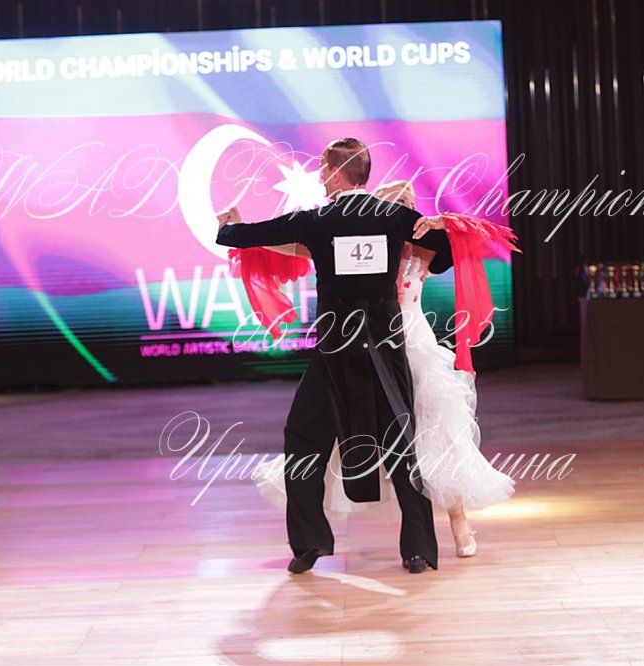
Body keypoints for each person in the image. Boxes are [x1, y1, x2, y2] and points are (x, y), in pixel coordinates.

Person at [216, 138, 452, 574]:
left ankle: (309, 543)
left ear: (337, 173)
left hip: (335, 350)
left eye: (324, 168)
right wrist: (437, 226)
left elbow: (254, 234)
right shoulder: (393, 216)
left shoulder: (316, 220)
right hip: (385, 347)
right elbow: (444, 253)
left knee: (304, 439)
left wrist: (229, 228)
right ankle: (418, 549)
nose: (321, 176)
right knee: (401, 444)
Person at [250, 180, 517, 558]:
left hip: (415, 347)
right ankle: (320, 534)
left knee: (437, 435)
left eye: (407, 205)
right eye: (394, 204)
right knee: (352, 430)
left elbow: (472, 240)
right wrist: (246, 234)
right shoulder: (355, 247)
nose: (402, 212)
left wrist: (444, 222)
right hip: (369, 345)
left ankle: (457, 524)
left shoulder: (425, 250)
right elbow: (295, 244)